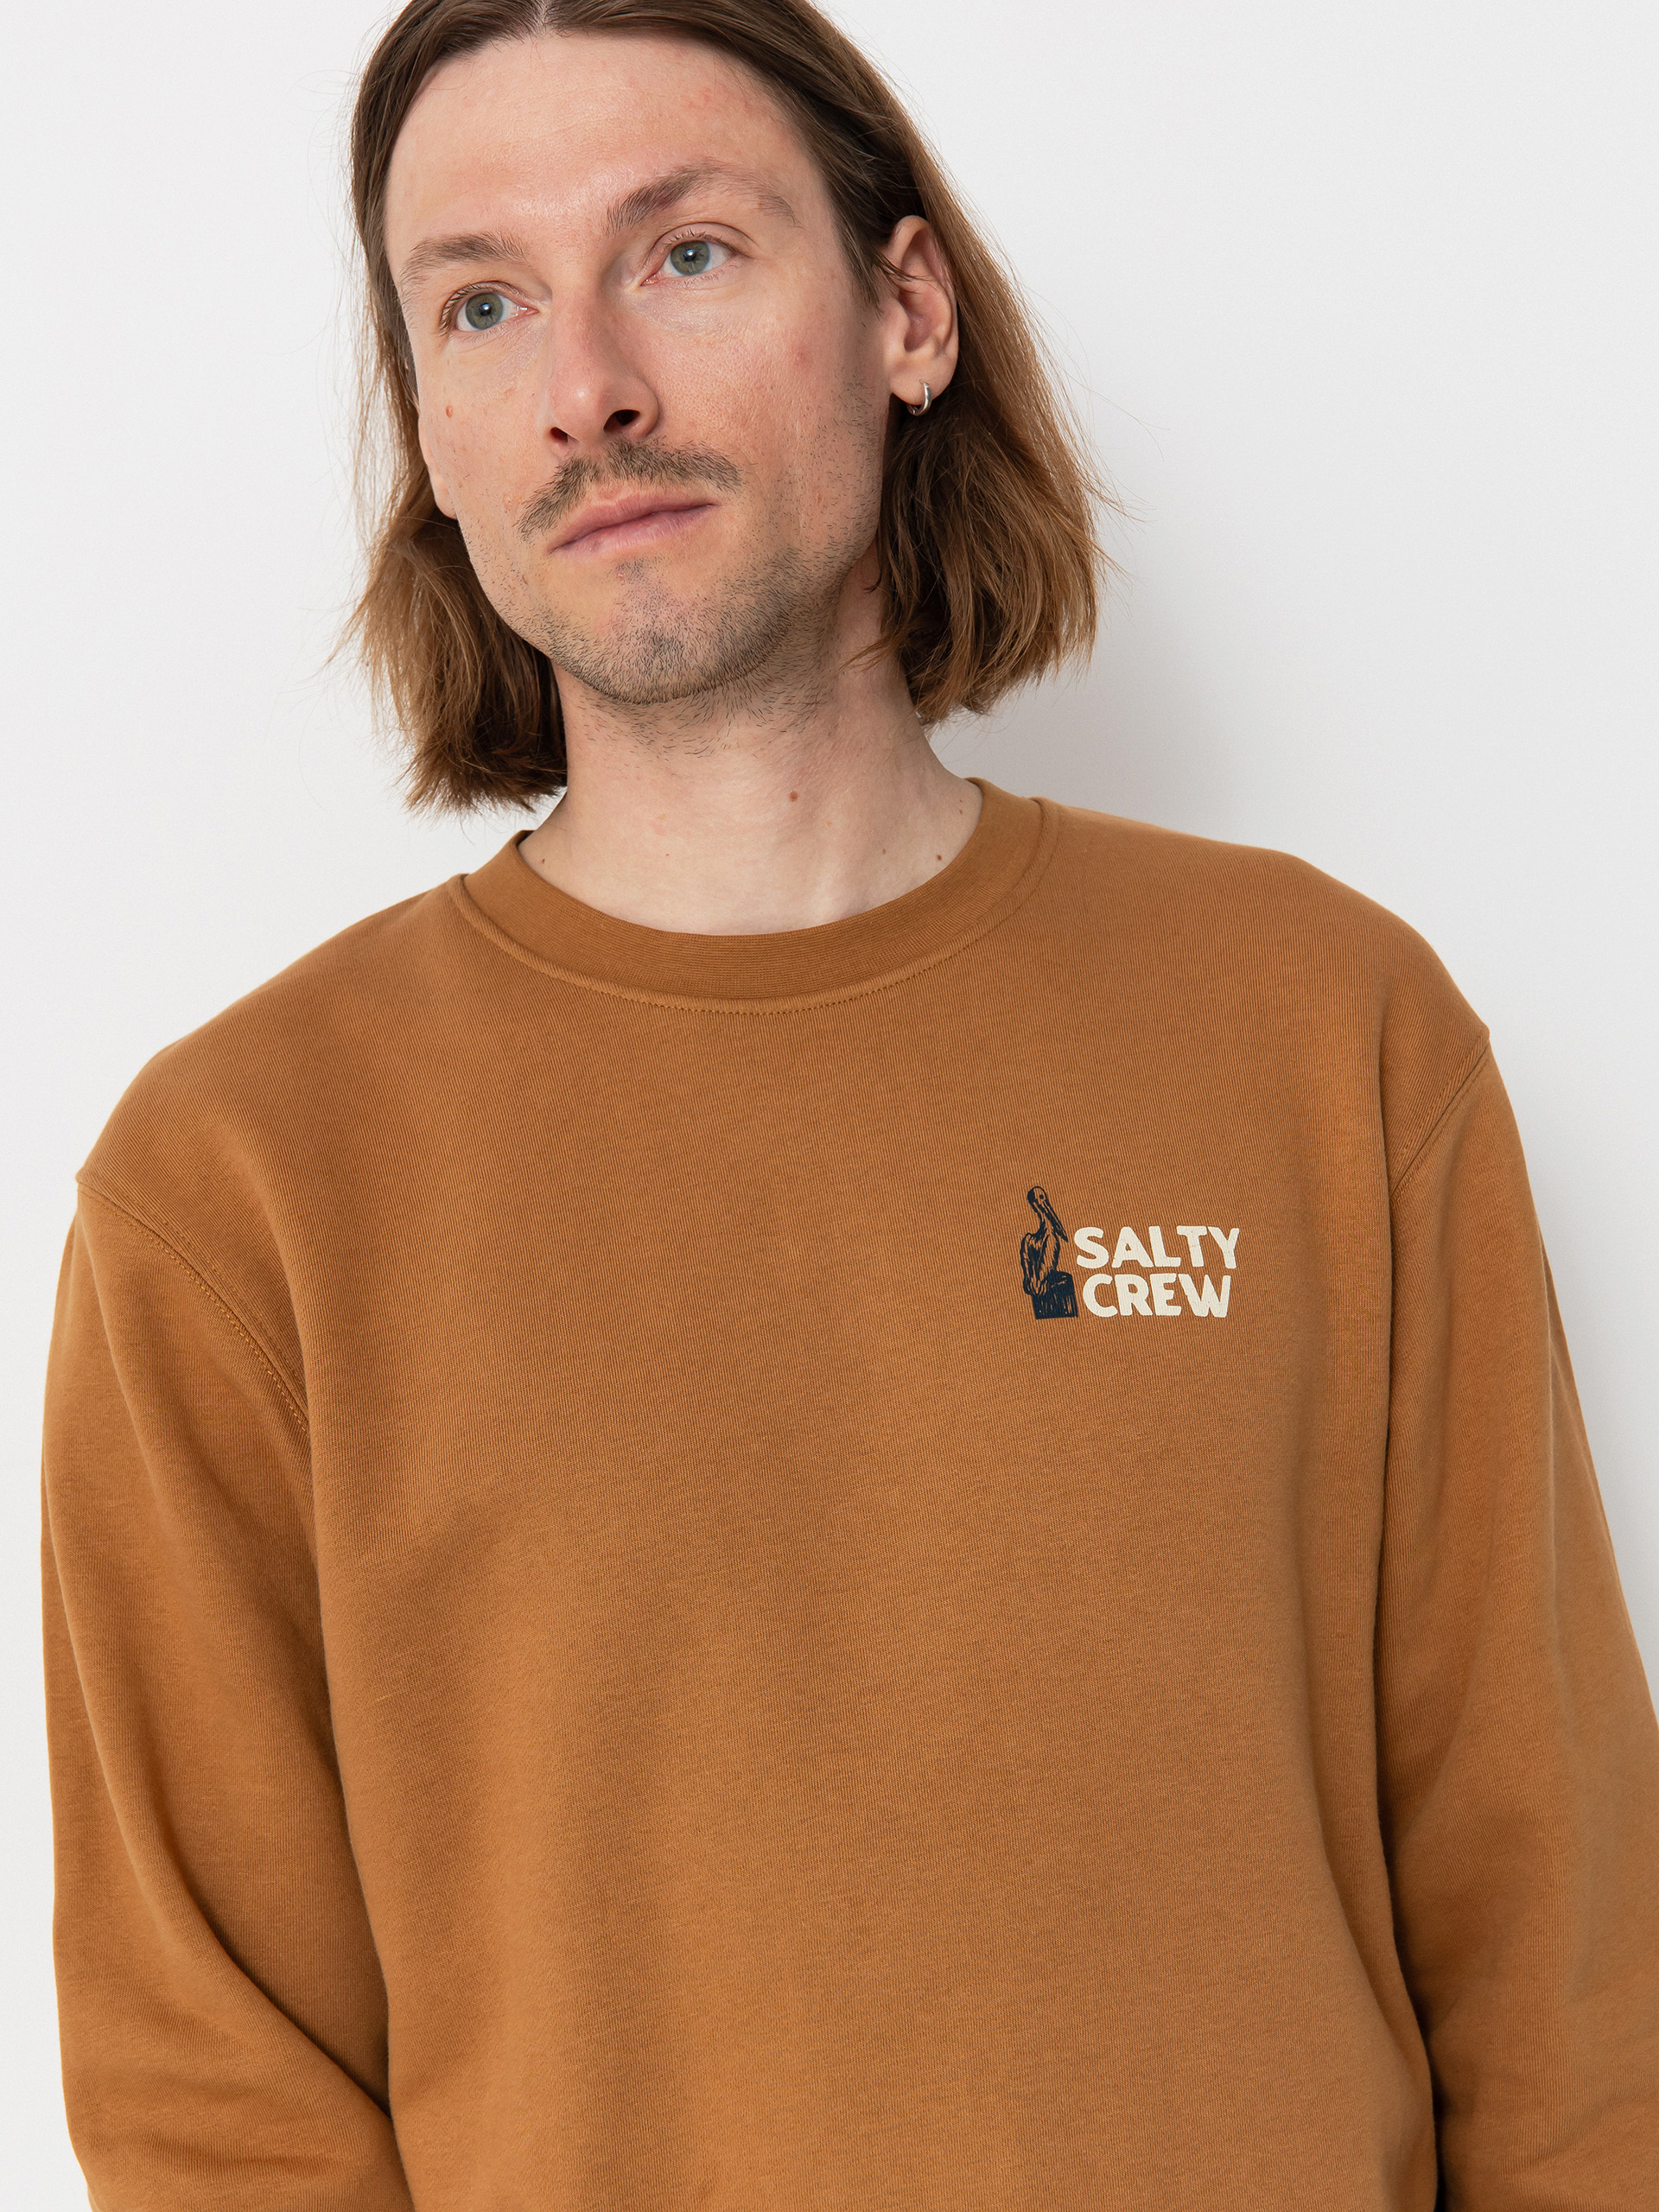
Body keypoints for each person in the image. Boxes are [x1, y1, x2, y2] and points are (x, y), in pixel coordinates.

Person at [38, 0, 1659, 2205]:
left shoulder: (1327, 1033)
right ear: (432, 433)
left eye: (685, 254)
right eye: (482, 303)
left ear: (910, 313)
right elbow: (218, 2099)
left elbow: (1570, 1977)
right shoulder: (238, 1184)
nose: (589, 385)